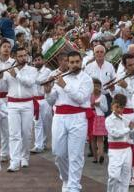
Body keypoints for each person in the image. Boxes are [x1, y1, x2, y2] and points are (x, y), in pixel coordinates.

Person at [46, 51, 93, 192]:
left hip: (78, 117)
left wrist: (64, 85)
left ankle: (74, 186)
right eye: (71, 62)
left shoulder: (86, 79)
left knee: (75, 154)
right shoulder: (61, 78)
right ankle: (66, 179)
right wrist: (48, 90)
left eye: (76, 62)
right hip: (59, 117)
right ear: (67, 62)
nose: (74, 65)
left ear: (81, 62)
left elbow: (80, 98)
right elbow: (51, 101)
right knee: (58, 153)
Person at [4, 47, 37, 172]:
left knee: (26, 133)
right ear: (15, 57)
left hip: (27, 103)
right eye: (20, 56)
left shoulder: (32, 70)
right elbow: (2, 87)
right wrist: (1, 77)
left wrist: (17, 75)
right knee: (14, 134)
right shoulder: (8, 70)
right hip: (12, 104)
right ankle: (14, 161)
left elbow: (30, 83)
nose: (23, 58)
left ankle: (24, 157)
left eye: (25, 55)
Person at [105, 93, 134, 192]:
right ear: (112, 105)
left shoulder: (126, 119)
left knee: (125, 177)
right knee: (114, 176)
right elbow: (114, 133)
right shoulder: (108, 120)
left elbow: (130, 137)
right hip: (114, 151)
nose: (119, 110)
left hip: (127, 150)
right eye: (117, 107)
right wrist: (128, 129)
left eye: (121, 108)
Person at [31, 53, 52, 154]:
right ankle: (38, 145)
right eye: (35, 60)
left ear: (43, 61)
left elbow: (41, 81)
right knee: (37, 122)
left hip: (45, 100)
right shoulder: (31, 71)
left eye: (39, 60)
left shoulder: (47, 71)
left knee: (46, 123)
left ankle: (43, 142)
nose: (37, 62)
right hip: (35, 100)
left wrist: (29, 79)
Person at [90, 79, 108, 164]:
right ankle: (95, 157)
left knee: (100, 139)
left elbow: (106, 109)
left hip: (100, 117)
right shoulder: (89, 96)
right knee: (92, 139)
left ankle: (101, 155)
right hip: (91, 117)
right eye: (94, 86)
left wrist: (99, 104)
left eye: (98, 86)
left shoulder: (103, 96)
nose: (96, 88)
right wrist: (91, 104)